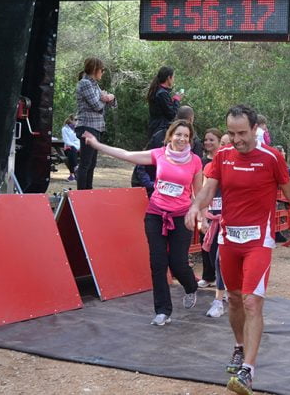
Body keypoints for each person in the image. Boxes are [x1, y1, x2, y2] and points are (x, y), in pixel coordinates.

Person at [185, 105, 290, 395]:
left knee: (251, 302)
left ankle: (248, 369)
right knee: (233, 300)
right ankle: (239, 346)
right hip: (229, 240)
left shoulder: (272, 157)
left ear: (255, 128)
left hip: (259, 240)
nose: (236, 139)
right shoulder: (222, 156)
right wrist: (196, 205)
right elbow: (209, 188)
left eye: (242, 133)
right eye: (231, 133)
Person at [82, 119, 202, 326]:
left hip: (180, 217)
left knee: (178, 262)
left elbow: (199, 193)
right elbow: (127, 155)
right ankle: (163, 311)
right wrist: (97, 144)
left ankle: (191, 287)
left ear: (190, 139)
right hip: (155, 214)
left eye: (186, 136)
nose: (182, 139)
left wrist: (199, 214)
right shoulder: (158, 155)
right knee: (158, 263)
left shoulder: (195, 161)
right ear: (170, 136)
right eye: (178, 134)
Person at [75, 57, 116, 190]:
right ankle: (82, 194)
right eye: (102, 70)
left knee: (91, 163)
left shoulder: (95, 85)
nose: (102, 73)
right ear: (95, 69)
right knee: (85, 163)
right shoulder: (85, 83)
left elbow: (113, 104)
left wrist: (111, 97)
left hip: (96, 127)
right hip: (87, 126)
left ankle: (88, 191)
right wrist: (105, 98)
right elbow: (97, 105)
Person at [201, 128, 227, 317]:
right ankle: (224, 290)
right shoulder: (210, 168)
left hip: (232, 222)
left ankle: (219, 299)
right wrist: (202, 216)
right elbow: (203, 193)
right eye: (224, 144)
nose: (225, 147)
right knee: (212, 256)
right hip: (213, 219)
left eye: (228, 144)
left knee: (220, 258)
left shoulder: (240, 167)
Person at [147, 66, 182, 138]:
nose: (173, 80)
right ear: (169, 78)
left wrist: (171, 101)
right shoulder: (162, 93)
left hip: (154, 128)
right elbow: (172, 114)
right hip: (160, 130)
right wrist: (177, 100)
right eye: (173, 77)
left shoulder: (157, 90)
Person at [61, 114, 80, 182]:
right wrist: (75, 146)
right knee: (72, 151)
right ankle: (75, 168)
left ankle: (72, 175)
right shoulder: (64, 129)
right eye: (75, 120)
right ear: (71, 120)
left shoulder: (77, 129)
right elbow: (66, 141)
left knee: (74, 153)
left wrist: (78, 147)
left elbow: (78, 140)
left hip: (78, 148)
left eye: (77, 120)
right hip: (68, 148)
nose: (77, 121)